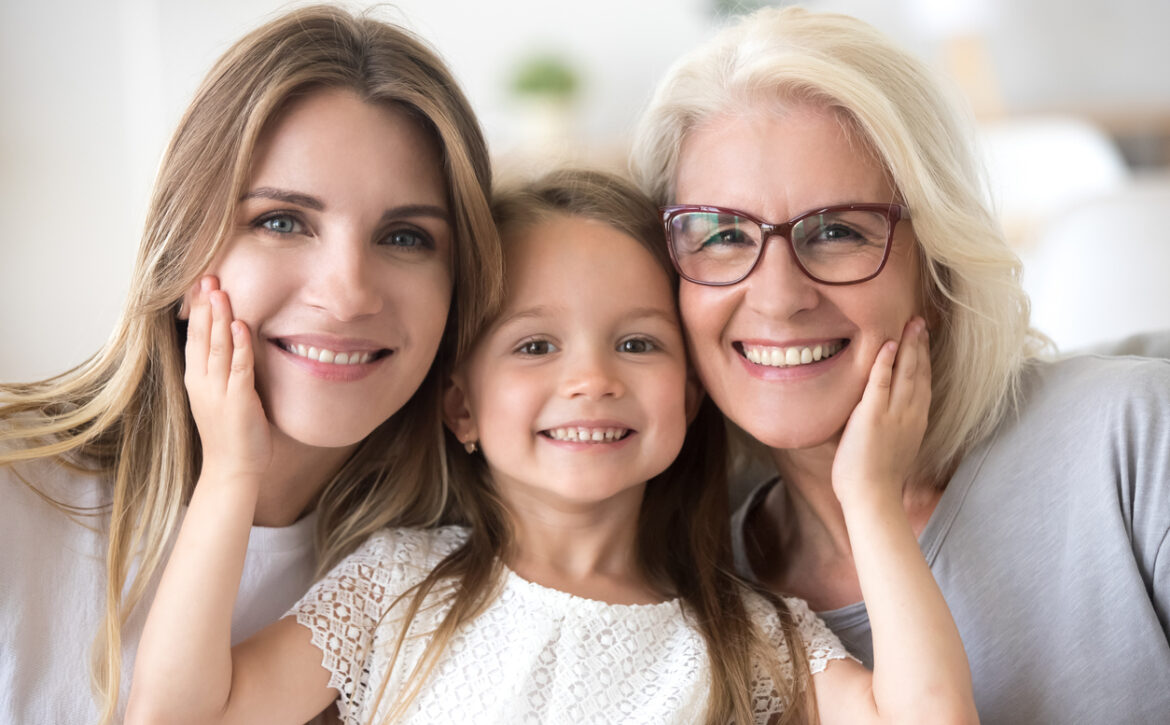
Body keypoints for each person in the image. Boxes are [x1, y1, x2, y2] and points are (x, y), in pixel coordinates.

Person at [125, 169, 976, 724]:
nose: (592, 379)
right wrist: (233, 469)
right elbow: (174, 717)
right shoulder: (395, 588)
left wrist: (870, 495)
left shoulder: (752, 636)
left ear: (690, 394)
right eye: (535, 346)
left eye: (638, 344)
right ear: (461, 404)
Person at [630, 6, 1170, 723]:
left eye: (838, 231)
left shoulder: (1132, 439)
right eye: (722, 234)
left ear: (938, 264)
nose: (779, 297)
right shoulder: (695, 595)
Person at [0, 6, 502, 723]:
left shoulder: (445, 568)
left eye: (405, 236)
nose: (347, 293)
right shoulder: (16, 488)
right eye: (281, 221)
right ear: (182, 251)